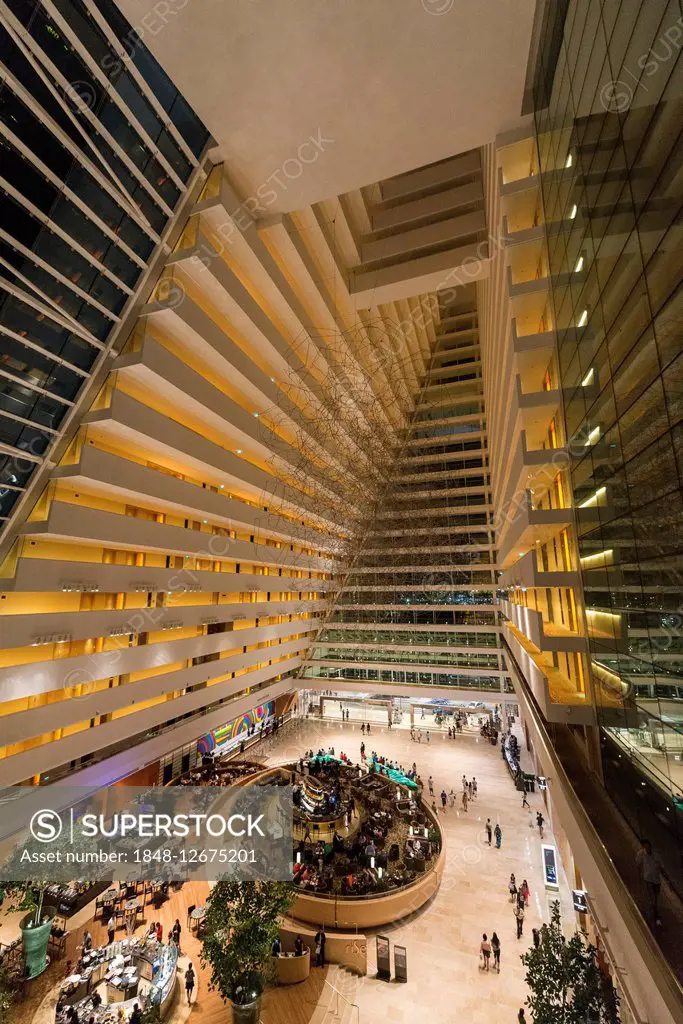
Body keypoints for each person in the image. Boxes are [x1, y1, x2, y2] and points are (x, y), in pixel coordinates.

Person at [636, 838, 663, 925]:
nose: (647, 848)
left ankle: (654, 911)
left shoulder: (656, 855)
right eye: (645, 847)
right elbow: (638, 864)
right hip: (648, 879)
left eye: (648, 846)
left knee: (656, 898)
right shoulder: (641, 854)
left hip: (656, 880)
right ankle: (656, 916)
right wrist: (640, 875)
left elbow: (661, 866)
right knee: (652, 898)